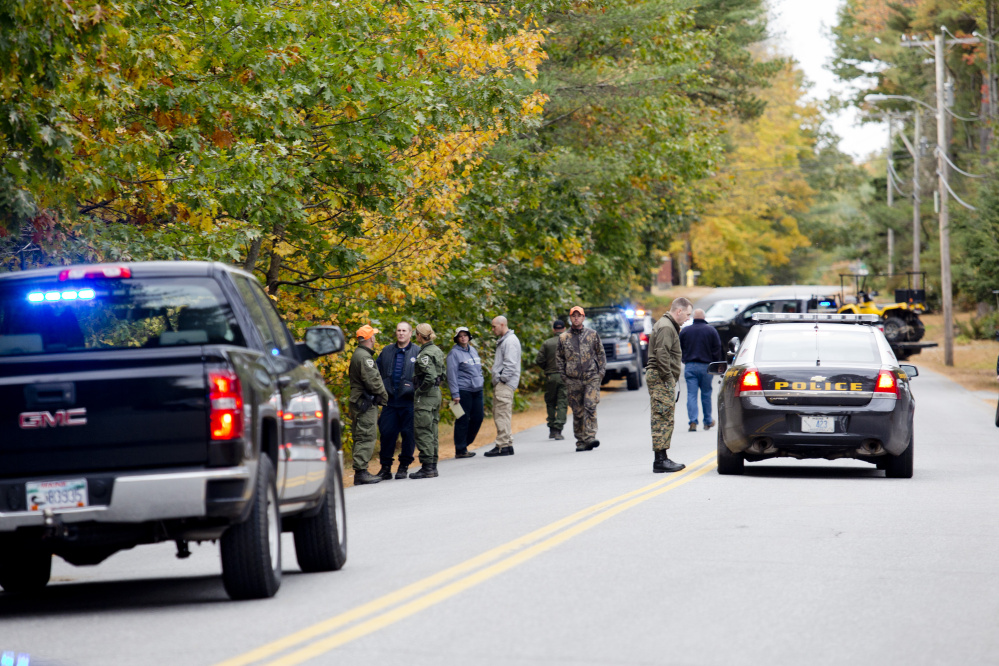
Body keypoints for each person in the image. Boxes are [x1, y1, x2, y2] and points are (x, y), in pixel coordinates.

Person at [646, 298, 693, 473]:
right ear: (679, 311)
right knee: (662, 417)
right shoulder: (666, 326)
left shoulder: (667, 324)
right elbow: (662, 354)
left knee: (664, 416)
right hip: (660, 376)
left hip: (661, 376)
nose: (688, 318)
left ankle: (662, 458)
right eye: (687, 314)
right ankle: (660, 460)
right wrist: (667, 378)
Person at [556, 306, 606, 452]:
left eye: (579, 315)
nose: (576, 318)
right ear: (570, 318)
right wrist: (564, 377)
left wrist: (600, 373)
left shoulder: (592, 335)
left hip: (591, 377)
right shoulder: (564, 337)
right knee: (578, 411)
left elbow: (601, 354)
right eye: (574, 316)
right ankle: (581, 441)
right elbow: (559, 358)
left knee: (590, 406)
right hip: (573, 380)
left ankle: (590, 437)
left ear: (583, 318)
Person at [375, 322, 420, 480]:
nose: (401, 333)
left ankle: (404, 466)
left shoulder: (418, 351)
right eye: (398, 330)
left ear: (410, 333)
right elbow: (376, 371)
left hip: (409, 402)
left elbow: (424, 376)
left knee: (408, 434)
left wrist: (415, 389)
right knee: (387, 433)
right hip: (390, 401)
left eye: (404, 331)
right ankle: (385, 467)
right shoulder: (387, 351)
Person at [348, 324, 389, 485]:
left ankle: (361, 470)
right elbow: (374, 381)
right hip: (364, 402)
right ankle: (361, 472)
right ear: (370, 338)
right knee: (366, 435)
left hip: (360, 401)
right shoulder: (364, 357)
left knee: (361, 434)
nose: (375, 338)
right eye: (374, 336)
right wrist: (384, 397)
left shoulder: (359, 354)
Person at [679, 308, 723, 432]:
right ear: (704, 318)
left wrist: (684, 358)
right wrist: (716, 363)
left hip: (690, 366)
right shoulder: (711, 330)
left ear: (693, 317)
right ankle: (707, 421)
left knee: (691, 395)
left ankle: (693, 421)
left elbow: (679, 347)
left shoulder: (686, 331)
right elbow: (717, 348)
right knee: (706, 394)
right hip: (706, 367)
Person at [411, 323, 446, 479]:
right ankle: (432, 466)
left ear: (419, 335)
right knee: (433, 430)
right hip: (436, 393)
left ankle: (427, 467)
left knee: (423, 430)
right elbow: (442, 374)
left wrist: (420, 390)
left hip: (426, 395)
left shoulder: (424, 354)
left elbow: (430, 376)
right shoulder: (436, 350)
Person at [484, 315, 521, 457]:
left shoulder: (510, 341)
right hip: (504, 383)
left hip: (505, 384)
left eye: (494, 326)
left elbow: (510, 364)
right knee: (502, 413)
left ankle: (502, 445)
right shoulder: (506, 340)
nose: (492, 329)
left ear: (502, 324)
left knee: (501, 414)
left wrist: (502, 379)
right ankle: (507, 444)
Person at [446, 326, 485, 458]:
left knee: (478, 417)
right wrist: (455, 394)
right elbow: (451, 374)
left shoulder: (473, 350)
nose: (463, 337)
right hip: (463, 391)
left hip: (477, 389)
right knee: (462, 419)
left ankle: (465, 443)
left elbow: (478, 369)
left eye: (465, 335)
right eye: (460, 335)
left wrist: (481, 380)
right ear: (456, 338)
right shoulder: (454, 353)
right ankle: (461, 449)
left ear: (469, 337)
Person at [536, 319, 568, 440]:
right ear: (564, 329)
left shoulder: (547, 343)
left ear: (554, 330)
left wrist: (547, 368)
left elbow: (539, 360)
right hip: (564, 376)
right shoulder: (569, 343)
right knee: (562, 402)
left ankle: (552, 430)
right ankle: (558, 430)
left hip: (550, 376)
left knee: (550, 402)